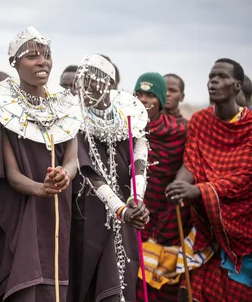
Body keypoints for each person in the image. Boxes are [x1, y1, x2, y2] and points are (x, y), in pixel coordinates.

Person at [0, 27, 82, 301]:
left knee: (57, 279)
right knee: (23, 283)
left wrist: (64, 175)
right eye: (32, 56)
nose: (42, 62)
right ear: (14, 63)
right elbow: (11, 174)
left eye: (46, 55)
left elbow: (72, 159)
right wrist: (40, 188)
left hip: (59, 209)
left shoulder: (67, 106)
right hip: (20, 210)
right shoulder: (1, 109)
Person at [166, 58, 252, 301]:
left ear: (237, 86)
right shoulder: (202, 121)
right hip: (207, 224)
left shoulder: (249, 126)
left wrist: (199, 191)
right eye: (211, 76)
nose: (213, 81)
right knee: (195, 288)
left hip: (243, 228)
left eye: (221, 77)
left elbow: (245, 179)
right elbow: (191, 161)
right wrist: (179, 185)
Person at [69, 55, 149, 302]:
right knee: (88, 282)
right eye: (82, 81)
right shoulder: (73, 119)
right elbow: (86, 170)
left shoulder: (130, 115)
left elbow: (140, 158)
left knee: (124, 279)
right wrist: (120, 209)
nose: (87, 87)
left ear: (110, 84)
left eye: (94, 81)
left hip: (128, 216)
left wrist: (136, 200)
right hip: (88, 217)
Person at [134, 72, 189, 301]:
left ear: (161, 100)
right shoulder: (125, 129)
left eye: (151, 95)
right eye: (140, 94)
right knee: (134, 282)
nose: (145, 100)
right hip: (135, 216)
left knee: (163, 285)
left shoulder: (179, 132)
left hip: (168, 219)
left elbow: (188, 170)